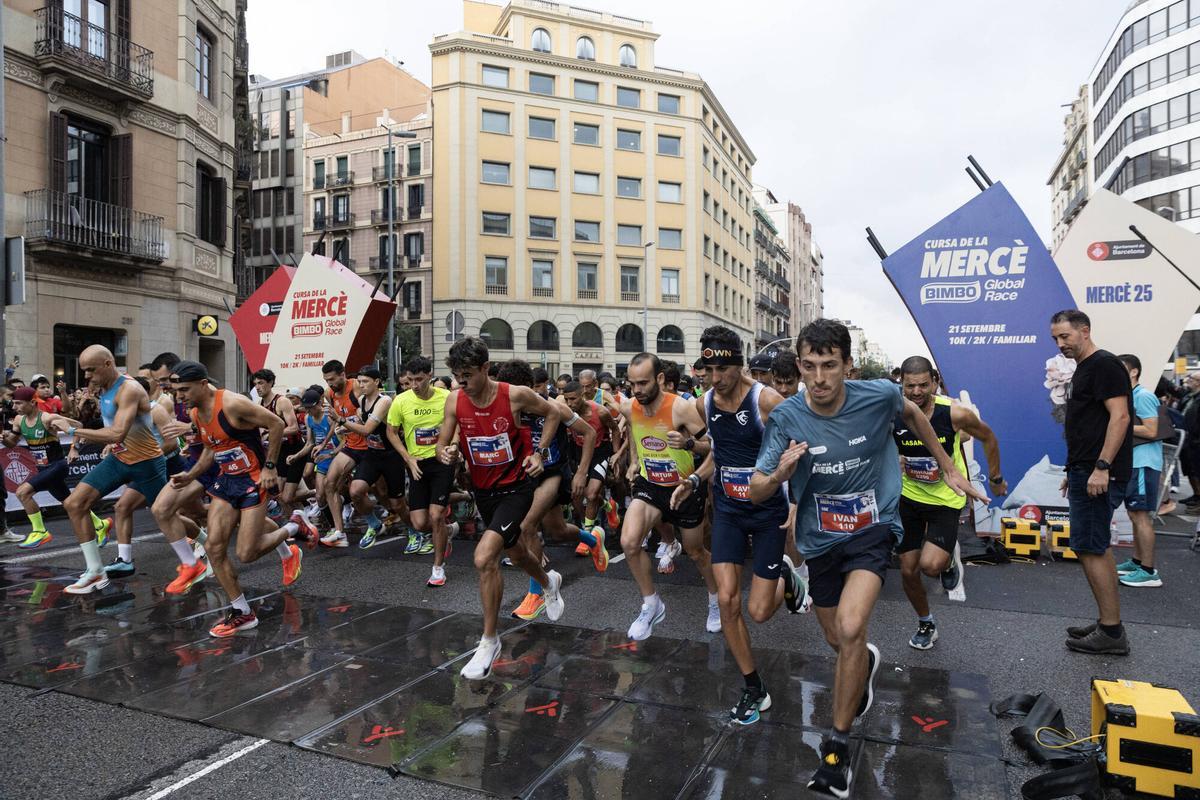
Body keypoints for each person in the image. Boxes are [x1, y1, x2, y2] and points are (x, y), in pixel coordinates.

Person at [749, 319, 982, 797]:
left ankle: (836, 748)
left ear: (847, 366)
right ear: (799, 366)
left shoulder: (877, 395)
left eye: (829, 365)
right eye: (810, 366)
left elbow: (917, 416)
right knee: (839, 638)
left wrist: (947, 467)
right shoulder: (787, 417)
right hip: (819, 540)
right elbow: (755, 488)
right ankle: (863, 667)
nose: (819, 378)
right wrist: (778, 478)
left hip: (874, 528)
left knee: (853, 628)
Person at [669, 326, 804, 725]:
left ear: (738, 365)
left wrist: (795, 498)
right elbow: (720, 453)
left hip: (767, 513)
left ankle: (787, 577)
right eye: (706, 371)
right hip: (728, 509)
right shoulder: (705, 403)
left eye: (721, 371)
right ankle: (753, 687)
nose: (714, 380)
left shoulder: (767, 401)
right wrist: (694, 479)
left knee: (759, 611)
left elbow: (801, 451)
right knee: (727, 600)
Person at [435, 337, 567, 679]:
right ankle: (548, 581)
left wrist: (539, 453)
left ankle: (489, 640)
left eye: (467, 374)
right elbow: (442, 443)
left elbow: (553, 413)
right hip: (483, 490)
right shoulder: (454, 400)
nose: (461, 381)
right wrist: (446, 452)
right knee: (519, 552)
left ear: (484, 368)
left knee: (484, 558)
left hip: (516, 488)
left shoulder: (514, 395)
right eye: (456, 375)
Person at [170, 361, 307, 636]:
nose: (179, 397)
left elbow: (277, 424)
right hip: (227, 481)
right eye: (176, 391)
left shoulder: (232, 403)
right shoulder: (196, 413)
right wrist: (191, 474)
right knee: (214, 548)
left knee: (246, 553)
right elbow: (211, 448)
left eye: (184, 390)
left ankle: (295, 526)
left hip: (254, 479)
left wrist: (269, 467)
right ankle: (242, 611)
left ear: (202, 383)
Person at [894, 356, 1008, 649]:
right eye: (910, 386)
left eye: (922, 385)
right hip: (909, 496)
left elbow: (989, 438)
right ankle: (926, 622)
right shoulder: (892, 411)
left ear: (934, 382)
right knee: (908, 570)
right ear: (901, 384)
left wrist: (995, 478)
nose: (916, 392)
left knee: (930, 566)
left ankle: (947, 562)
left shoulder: (955, 413)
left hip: (946, 497)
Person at [618, 352, 720, 640]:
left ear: (660, 379)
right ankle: (652, 603)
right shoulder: (629, 408)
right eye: (632, 383)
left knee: (696, 552)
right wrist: (635, 461)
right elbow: (636, 436)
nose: (637, 390)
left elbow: (712, 445)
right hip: (650, 486)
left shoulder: (681, 409)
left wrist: (689, 443)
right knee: (629, 541)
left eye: (643, 383)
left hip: (684, 487)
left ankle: (715, 600)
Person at [1050, 310, 1133, 656]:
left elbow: (1121, 416)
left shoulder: (1104, 365)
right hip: (1086, 470)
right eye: (1055, 338)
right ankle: (1106, 622)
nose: (1060, 344)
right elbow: (1087, 426)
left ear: (1084, 331)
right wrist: (1075, 469)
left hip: (1100, 472)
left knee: (1090, 547)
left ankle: (1112, 632)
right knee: (1092, 545)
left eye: (1065, 337)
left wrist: (1101, 467)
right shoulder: (1086, 368)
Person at [500, 361, 603, 620]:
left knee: (527, 526)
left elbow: (589, 433)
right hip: (526, 475)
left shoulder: (554, 407)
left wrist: (581, 472)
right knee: (557, 529)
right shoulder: (508, 405)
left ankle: (536, 593)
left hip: (553, 474)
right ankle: (593, 540)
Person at [61, 346, 168, 594]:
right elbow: (110, 430)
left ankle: (204, 542)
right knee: (74, 503)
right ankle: (96, 571)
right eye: (84, 371)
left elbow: (118, 432)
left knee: (169, 516)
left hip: (146, 462)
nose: (86, 376)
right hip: (120, 459)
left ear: (108, 364)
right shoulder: (103, 389)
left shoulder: (129, 389)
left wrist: (71, 432)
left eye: (91, 370)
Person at [4, 387, 109, 549]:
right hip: (43, 468)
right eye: (14, 403)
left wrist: (74, 448)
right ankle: (101, 524)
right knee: (69, 503)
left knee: (22, 493)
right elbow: (11, 443)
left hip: (58, 466)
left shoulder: (48, 418)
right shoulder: (19, 420)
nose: (14, 407)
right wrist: (4, 439)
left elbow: (78, 425)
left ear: (32, 402)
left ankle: (40, 531)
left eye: (19, 403)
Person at [387, 356, 458, 585]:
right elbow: (391, 432)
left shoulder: (446, 397)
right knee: (419, 522)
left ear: (430, 375)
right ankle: (447, 531)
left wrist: (453, 446)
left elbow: (458, 423)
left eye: (419, 379)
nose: (415, 385)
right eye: (410, 380)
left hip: (441, 461)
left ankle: (438, 568)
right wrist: (408, 459)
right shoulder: (400, 400)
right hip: (416, 464)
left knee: (436, 515)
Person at [339, 365, 406, 549]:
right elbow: (362, 423)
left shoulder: (384, 401)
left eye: (365, 381)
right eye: (359, 381)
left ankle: (415, 532)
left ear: (376, 382)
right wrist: (345, 427)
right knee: (355, 491)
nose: (361, 385)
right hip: (373, 454)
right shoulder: (361, 400)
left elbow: (367, 429)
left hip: (391, 455)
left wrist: (342, 421)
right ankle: (374, 523)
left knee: (397, 503)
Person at [1115, 354, 1163, 589]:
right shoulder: (1129, 396)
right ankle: (1137, 562)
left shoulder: (1143, 396)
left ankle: (1149, 571)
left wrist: (1120, 423)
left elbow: (1152, 430)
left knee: (1141, 516)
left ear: (1133, 372)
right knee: (1135, 515)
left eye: (1121, 368)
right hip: (1133, 463)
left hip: (1143, 463)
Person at [319, 360, 364, 547]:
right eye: (326, 380)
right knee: (329, 483)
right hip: (352, 445)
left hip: (370, 446)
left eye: (332, 379)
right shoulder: (329, 394)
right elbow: (335, 421)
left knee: (383, 495)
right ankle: (340, 532)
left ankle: (377, 520)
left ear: (343, 375)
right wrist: (324, 443)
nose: (329, 383)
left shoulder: (357, 388)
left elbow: (367, 419)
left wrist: (346, 423)